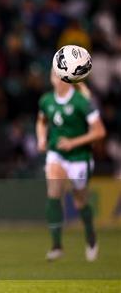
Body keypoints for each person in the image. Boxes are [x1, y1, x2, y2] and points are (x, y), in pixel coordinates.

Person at [36, 70, 106, 261]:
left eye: (59, 76)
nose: (55, 79)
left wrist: (72, 143)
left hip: (79, 156)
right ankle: (56, 245)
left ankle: (91, 237)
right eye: (52, 75)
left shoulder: (81, 102)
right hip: (57, 153)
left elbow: (99, 131)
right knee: (53, 193)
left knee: (80, 201)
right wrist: (41, 138)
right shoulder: (46, 100)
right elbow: (41, 121)